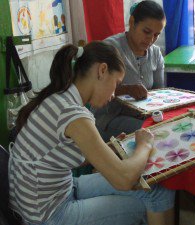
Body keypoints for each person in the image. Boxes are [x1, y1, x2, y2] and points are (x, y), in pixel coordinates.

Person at [8, 42, 175, 225]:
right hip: (48, 214)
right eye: (116, 83)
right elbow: (124, 179)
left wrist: (106, 149)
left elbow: (61, 153)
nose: (113, 94)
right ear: (102, 70)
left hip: (58, 192)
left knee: (157, 188)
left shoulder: (59, 98)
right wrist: (145, 144)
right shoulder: (72, 113)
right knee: (147, 203)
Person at [93, 0, 167, 142]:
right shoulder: (111, 48)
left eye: (156, 35)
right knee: (157, 134)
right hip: (110, 117)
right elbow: (95, 90)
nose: (151, 39)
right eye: (146, 32)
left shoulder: (156, 53)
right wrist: (126, 89)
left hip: (143, 115)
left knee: (174, 123)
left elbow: (160, 93)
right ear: (132, 22)